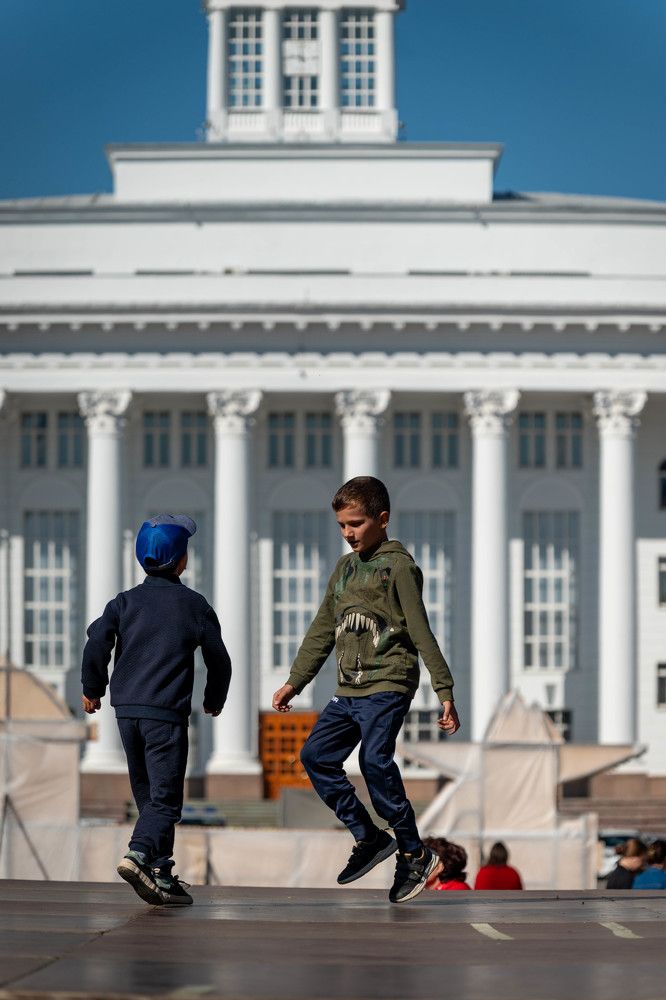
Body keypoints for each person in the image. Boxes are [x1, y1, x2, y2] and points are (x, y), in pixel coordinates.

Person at [272, 476, 460, 904]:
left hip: (389, 682)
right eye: (341, 525)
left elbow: (420, 629)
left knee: (375, 760)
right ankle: (369, 837)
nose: (347, 533)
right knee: (315, 756)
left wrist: (444, 690)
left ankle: (414, 851)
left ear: (382, 519)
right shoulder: (344, 569)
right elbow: (322, 629)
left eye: (355, 524)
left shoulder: (400, 568)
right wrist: (294, 681)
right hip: (349, 689)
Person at [81, 514, 231, 906]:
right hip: (165, 716)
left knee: (148, 798)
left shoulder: (123, 602)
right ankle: (139, 854)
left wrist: (92, 688)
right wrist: (214, 698)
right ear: (181, 560)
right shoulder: (194, 605)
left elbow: (97, 640)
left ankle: (160, 872)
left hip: (126, 714)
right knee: (166, 801)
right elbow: (219, 659)